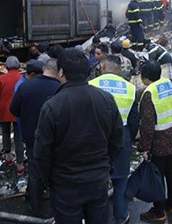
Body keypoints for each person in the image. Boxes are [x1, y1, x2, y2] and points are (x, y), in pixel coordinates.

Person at [34, 49, 123, 224]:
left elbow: (42, 153)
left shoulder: (52, 106)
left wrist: (47, 180)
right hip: (98, 181)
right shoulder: (106, 99)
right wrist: (107, 167)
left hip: (66, 185)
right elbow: (117, 141)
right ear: (87, 72)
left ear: (61, 72)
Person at [89, 56, 139, 224]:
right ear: (119, 69)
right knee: (120, 180)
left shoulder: (91, 85)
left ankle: (98, 217)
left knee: (98, 181)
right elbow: (134, 121)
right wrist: (128, 139)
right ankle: (121, 216)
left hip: (97, 137)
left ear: (103, 67)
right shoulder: (131, 88)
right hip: (122, 136)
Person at [10, 59, 60, 216]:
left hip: (32, 138)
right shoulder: (60, 88)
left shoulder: (25, 87)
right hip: (56, 139)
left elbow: (14, 109)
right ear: (59, 72)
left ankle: (35, 207)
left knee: (35, 173)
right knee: (55, 172)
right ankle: (56, 207)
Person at [138, 60, 172, 222]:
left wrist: (144, 147)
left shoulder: (149, 93)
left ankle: (158, 211)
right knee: (170, 172)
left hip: (159, 141)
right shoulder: (168, 84)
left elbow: (148, 125)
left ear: (145, 77)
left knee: (157, 177)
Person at [0, 56, 25, 173]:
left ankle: (8, 157)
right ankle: (20, 164)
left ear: (6, 65)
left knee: (5, 132)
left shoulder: (1, 78)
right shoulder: (22, 78)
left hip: (4, 110)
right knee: (18, 137)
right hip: (19, 111)